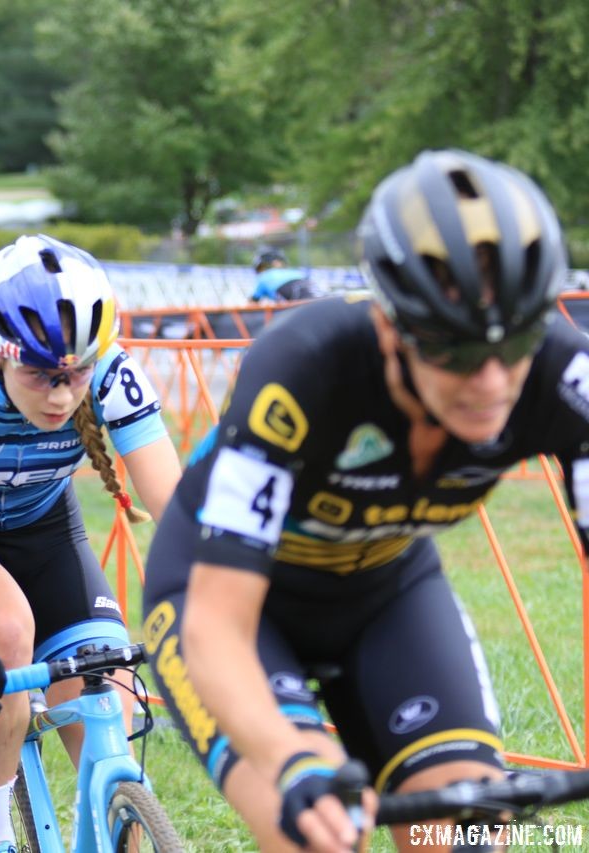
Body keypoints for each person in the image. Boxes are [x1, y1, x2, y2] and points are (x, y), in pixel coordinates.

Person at [141, 149, 578, 852]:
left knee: (464, 838)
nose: (494, 381)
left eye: (521, 341)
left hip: (384, 594)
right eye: (456, 352)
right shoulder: (301, 371)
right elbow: (219, 626)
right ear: (389, 329)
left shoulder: (562, 376)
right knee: (319, 834)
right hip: (228, 604)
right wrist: (292, 763)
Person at [0, 234, 182, 853]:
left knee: (107, 696)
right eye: (40, 374)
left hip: (47, 534)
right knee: (3, 634)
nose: (60, 394)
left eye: (75, 375)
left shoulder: (111, 372)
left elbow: (179, 510)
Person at [250, 247, 325, 302]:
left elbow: (253, 302)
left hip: (300, 301)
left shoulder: (263, 277)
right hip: (316, 296)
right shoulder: (294, 272)